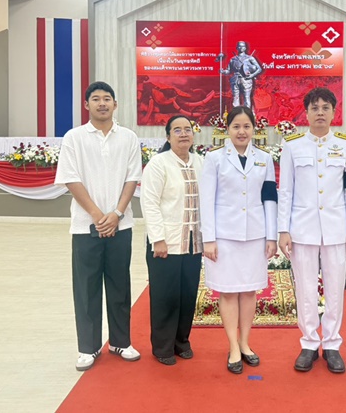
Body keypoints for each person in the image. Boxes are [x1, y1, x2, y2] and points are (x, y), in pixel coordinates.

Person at [54, 81, 142, 371]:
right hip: (85, 226)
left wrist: (116, 214)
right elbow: (70, 178)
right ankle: (88, 348)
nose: (102, 103)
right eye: (96, 99)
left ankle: (120, 342)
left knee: (119, 285)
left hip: (121, 224)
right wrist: (96, 215)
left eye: (107, 98)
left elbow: (132, 178)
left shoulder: (128, 137)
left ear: (115, 104)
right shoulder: (74, 137)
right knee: (86, 288)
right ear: (86, 105)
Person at [278, 87, 346, 374]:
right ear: (306, 113)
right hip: (302, 228)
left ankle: (332, 344)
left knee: (335, 289)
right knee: (305, 288)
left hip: (336, 229)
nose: (320, 113)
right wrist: (283, 230)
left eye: (326, 107)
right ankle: (310, 343)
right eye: (315, 108)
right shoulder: (292, 145)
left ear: (334, 112)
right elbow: (285, 190)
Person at [200, 106, 278, 374]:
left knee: (249, 290)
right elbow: (207, 200)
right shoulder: (214, 159)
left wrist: (271, 236)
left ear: (254, 129)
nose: (242, 132)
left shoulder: (264, 159)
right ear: (227, 130)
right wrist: (208, 239)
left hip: (255, 235)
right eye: (236, 126)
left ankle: (245, 343)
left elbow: (270, 197)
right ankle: (233, 346)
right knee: (228, 290)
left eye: (246, 126)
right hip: (224, 236)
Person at [140, 115, 204, 366]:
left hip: (193, 242)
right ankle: (163, 347)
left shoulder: (201, 162)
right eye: (177, 130)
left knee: (187, 295)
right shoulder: (159, 164)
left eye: (188, 129)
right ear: (168, 136)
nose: (183, 134)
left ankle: (182, 342)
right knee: (165, 296)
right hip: (165, 243)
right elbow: (150, 203)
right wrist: (158, 239)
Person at [220, 41, 262, 109]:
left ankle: (247, 113)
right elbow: (229, 70)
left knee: (246, 97)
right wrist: (223, 71)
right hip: (235, 80)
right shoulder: (233, 59)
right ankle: (236, 113)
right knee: (235, 97)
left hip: (246, 80)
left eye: (243, 46)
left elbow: (259, 69)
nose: (241, 48)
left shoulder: (250, 58)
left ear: (245, 48)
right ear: (237, 48)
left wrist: (252, 75)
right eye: (239, 46)